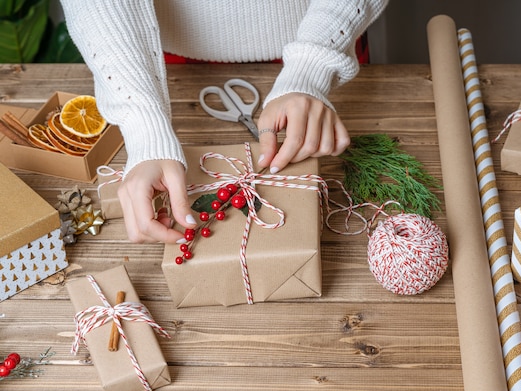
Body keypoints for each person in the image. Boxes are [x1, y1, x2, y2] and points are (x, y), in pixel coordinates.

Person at [60, 0, 388, 243]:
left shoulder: (321, 52)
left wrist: (314, 64)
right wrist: (144, 125)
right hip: (152, 58)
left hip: (324, 34)